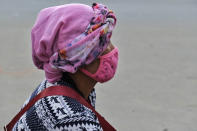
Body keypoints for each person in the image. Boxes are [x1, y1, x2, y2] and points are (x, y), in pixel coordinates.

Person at [11, 3, 118, 131]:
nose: (112, 49)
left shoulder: (51, 86)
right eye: (102, 44)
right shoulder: (75, 120)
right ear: (76, 58)